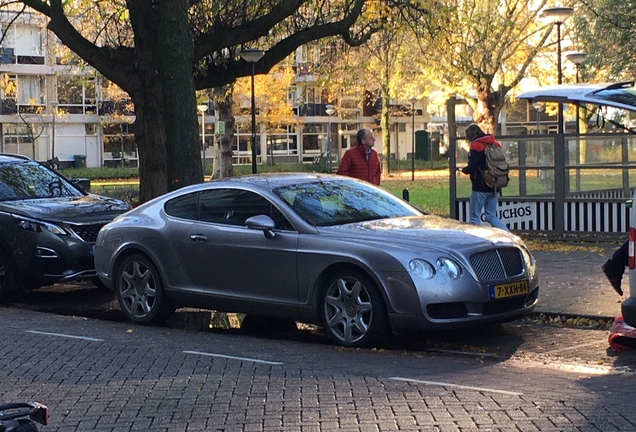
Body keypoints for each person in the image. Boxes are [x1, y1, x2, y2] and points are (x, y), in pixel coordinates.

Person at [460, 123, 508, 231]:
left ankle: (477, 240)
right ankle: (509, 235)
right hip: (495, 184)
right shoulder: (495, 143)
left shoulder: (475, 145)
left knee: (474, 217)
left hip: (480, 185)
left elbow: (472, 166)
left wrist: (464, 170)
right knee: (491, 216)